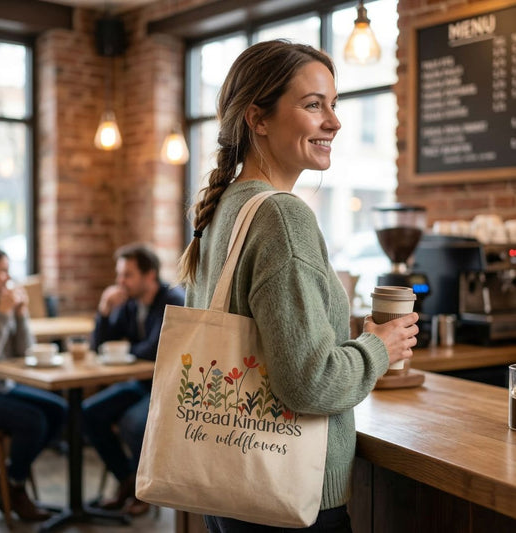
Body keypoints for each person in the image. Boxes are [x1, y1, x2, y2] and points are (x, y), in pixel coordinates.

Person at [179, 40, 419, 533]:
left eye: (334, 104)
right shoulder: (281, 216)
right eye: (314, 105)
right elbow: (310, 382)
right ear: (258, 119)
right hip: (287, 494)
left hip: (227, 480)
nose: (334, 121)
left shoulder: (225, 208)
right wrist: (379, 347)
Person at [82, 242, 185, 516]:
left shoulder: (173, 299)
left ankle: (145, 491)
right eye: (120, 275)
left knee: (132, 423)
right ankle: (127, 480)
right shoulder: (130, 304)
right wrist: (104, 311)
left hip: (170, 387)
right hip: (142, 383)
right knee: (89, 413)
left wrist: (127, 349)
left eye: (127, 275)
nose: (120, 282)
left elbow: (155, 349)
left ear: (149, 275)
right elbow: (100, 346)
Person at [0, 245, 68, 522]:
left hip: (2, 387)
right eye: (2, 271)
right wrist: (4, 315)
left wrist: (20, 316)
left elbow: (25, 351)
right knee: (33, 420)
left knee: (58, 409)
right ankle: (16, 486)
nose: (8, 277)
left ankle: (8, 478)